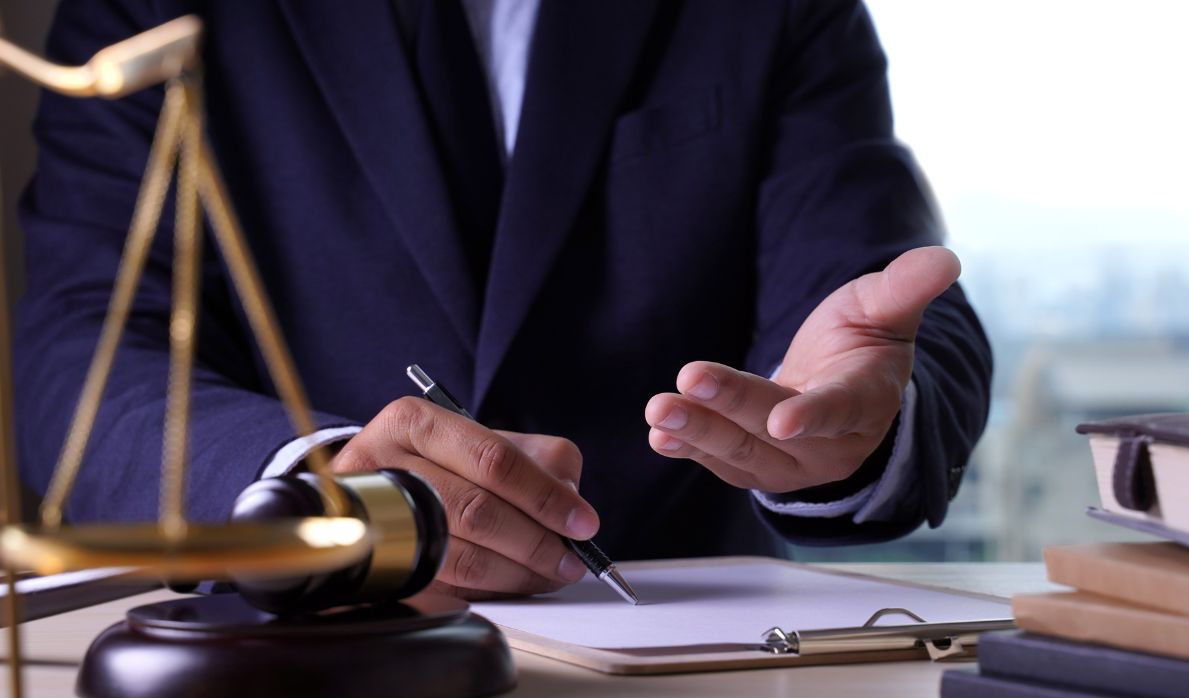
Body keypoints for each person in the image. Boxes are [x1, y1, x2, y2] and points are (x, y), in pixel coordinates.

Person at [14, 0, 991, 600]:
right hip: (295, 681)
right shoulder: (146, 6)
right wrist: (309, 483)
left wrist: (859, 404)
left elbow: (876, 289)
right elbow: (77, 352)